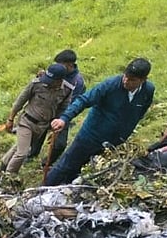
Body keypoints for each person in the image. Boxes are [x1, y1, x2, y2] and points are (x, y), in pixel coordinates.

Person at [44, 58, 155, 186]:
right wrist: (64, 119)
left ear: (143, 80)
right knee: (66, 166)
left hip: (115, 142)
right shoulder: (110, 85)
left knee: (91, 171)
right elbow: (83, 100)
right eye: (125, 76)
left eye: (131, 80)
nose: (126, 81)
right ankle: (43, 192)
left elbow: (140, 112)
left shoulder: (148, 91)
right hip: (91, 136)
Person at [0, 63, 72, 174]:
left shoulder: (66, 90)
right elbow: (20, 101)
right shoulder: (37, 84)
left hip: (41, 127)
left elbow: (62, 110)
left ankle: (3, 166)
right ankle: (9, 176)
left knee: (20, 147)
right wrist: (10, 119)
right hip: (27, 122)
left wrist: (56, 127)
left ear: (59, 80)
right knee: (22, 153)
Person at [35, 50, 87, 166]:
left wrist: (64, 118)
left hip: (62, 114)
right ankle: (32, 152)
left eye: (61, 64)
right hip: (48, 108)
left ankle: (48, 162)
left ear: (70, 65)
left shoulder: (77, 82)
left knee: (60, 144)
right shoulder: (57, 72)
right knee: (38, 132)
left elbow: (73, 103)